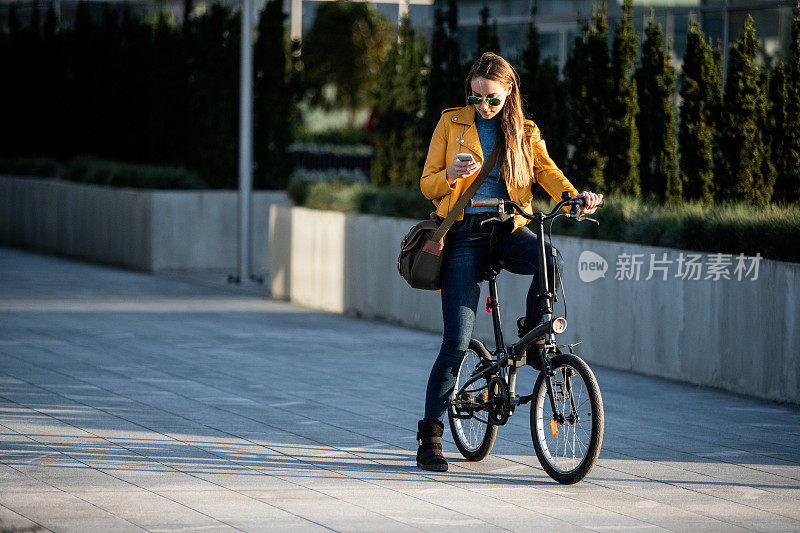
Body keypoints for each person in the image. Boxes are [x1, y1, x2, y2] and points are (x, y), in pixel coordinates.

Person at [415, 52, 602, 472]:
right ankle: (430, 438)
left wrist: (573, 197)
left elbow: (548, 173)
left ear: (509, 92)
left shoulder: (525, 132)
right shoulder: (451, 123)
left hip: (507, 227)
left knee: (548, 256)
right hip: (462, 233)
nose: (483, 106)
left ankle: (534, 337)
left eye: (492, 99)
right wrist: (450, 174)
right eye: (475, 96)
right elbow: (427, 183)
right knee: (455, 343)